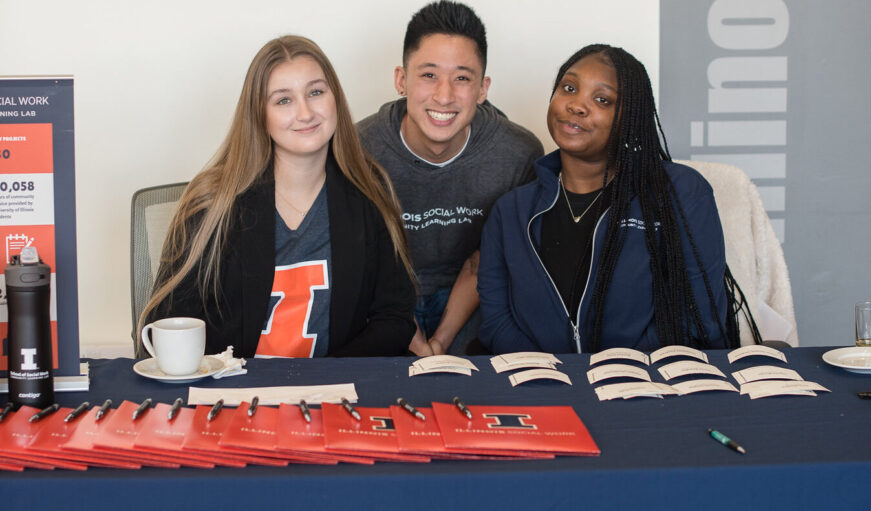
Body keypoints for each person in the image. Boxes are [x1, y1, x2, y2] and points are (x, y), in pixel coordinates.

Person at [138, 35, 416, 359]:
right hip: (233, 399)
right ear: (259, 114)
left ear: (335, 99)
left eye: (316, 92)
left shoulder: (369, 192)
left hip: (333, 397)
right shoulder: (211, 204)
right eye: (283, 100)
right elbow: (167, 324)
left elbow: (394, 318)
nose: (305, 112)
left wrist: (327, 380)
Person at [478, 44, 740, 354]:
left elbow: (700, 322)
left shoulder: (682, 193)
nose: (577, 105)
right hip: (543, 386)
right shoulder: (511, 211)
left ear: (629, 118)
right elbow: (496, 321)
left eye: (602, 99)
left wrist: (616, 372)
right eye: (569, 88)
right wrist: (549, 374)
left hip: (650, 387)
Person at [358, 0, 543, 356]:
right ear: (401, 80)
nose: (444, 96)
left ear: (483, 88)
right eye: (429, 75)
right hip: (383, 294)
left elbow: (487, 259)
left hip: (475, 292)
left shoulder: (518, 152)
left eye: (462, 78)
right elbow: (359, 263)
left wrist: (441, 341)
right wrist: (410, 337)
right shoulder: (358, 150)